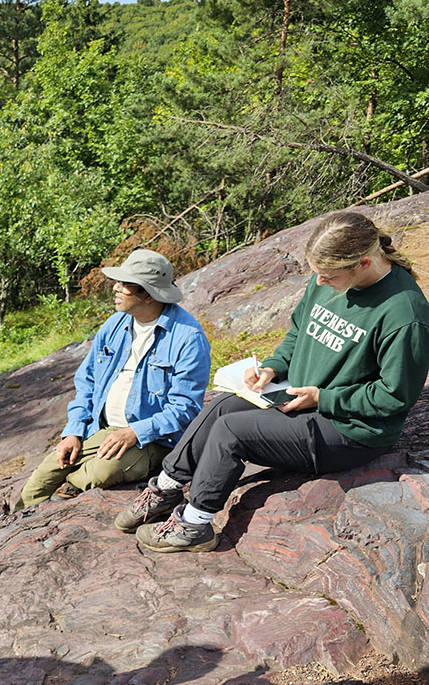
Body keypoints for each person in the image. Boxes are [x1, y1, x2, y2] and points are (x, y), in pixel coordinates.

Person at [116, 210, 429, 552]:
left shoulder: (405, 313)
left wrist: (323, 399)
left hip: (351, 431)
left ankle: (195, 525)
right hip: (300, 397)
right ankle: (165, 487)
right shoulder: (329, 279)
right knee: (220, 407)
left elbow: (395, 396)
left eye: (327, 276)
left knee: (231, 432)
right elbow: (298, 333)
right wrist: (273, 368)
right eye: (317, 274)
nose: (320, 283)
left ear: (364, 262)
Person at [16, 250, 210, 508]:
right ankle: (24, 523)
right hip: (102, 430)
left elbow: (185, 408)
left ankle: (71, 488)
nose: (115, 288)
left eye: (125, 284)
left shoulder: (187, 338)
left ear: (148, 294)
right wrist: (73, 432)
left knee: (103, 471)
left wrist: (134, 432)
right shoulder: (115, 325)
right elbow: (87, 383)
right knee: (42, 478)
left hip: (154, 439)